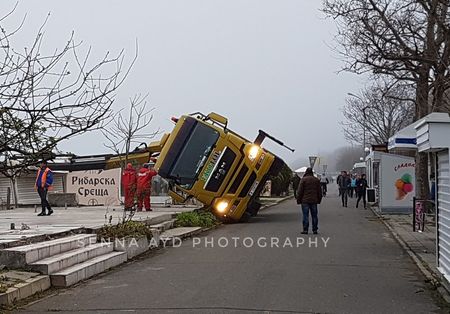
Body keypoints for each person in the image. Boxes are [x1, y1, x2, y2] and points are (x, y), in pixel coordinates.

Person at [296, 167, 322, 235]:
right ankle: (315, 229)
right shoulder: (316, 180)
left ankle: (305, 229)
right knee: (314, 215)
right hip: (314, 200)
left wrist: (298, 200)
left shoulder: (303, 180)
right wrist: (319, 200)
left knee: (305, 215)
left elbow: (300, 191)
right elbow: (319, 191)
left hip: (305, 201)